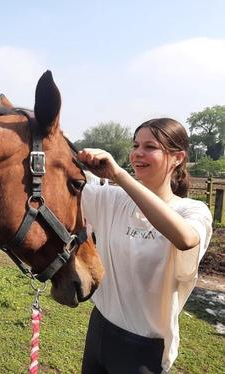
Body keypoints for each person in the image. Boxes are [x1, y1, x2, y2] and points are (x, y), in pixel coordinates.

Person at [78, 118, 212, 374]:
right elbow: (59, 173)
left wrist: (119, 175)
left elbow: (186, 239)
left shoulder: (191, 210)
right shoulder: (112, 199)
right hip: (99, 328)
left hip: (143, 350)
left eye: (150, 147)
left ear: (178, 157)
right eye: (136, 144)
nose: (138, 153)